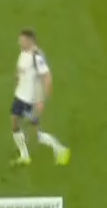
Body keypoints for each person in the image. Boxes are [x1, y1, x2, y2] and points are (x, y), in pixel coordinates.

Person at [10, 29, 71, 166]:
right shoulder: (23, 53)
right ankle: (24, 156)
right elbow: (22, 70)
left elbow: (47, 77)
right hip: (20, 96)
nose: (19, 42)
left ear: (30, 41)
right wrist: (18, 76)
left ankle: (60, 149)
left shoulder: (37, 57)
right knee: (14, 123)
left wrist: (42, 100)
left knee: (35, 133)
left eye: (22, 40)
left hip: (30, 100)